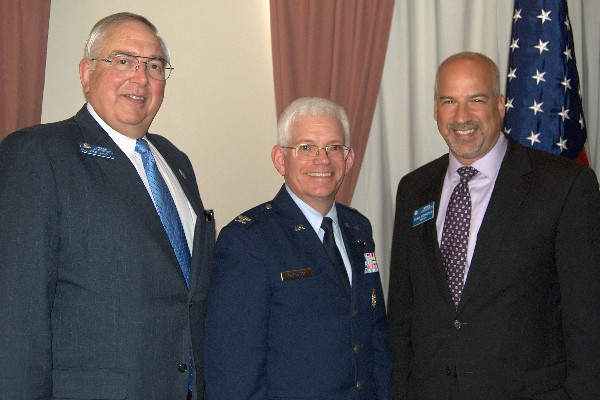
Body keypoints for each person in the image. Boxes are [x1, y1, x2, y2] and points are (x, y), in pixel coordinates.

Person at [0, 12, 214, 400]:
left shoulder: (176, 161)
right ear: (86, 73)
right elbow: (15, 312)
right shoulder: (39, 154)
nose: (140, 77)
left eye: (153, 65)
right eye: (123, 61)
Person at [387, 51, 600, 399]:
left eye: (476, 100)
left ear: (500, 105)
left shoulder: (564, 186)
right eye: (448, 101)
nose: (461, 116)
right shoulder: (413, 189)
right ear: (435, 109)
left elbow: (588, 321)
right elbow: (401, 315)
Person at [204, 97, 393, 400]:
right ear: (280, 159)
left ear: (349, 159)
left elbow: (375, 340)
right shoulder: (249, 241)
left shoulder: (359, 229)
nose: (323, 159)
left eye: (334, 147)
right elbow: (232, 374)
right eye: (306, 147)